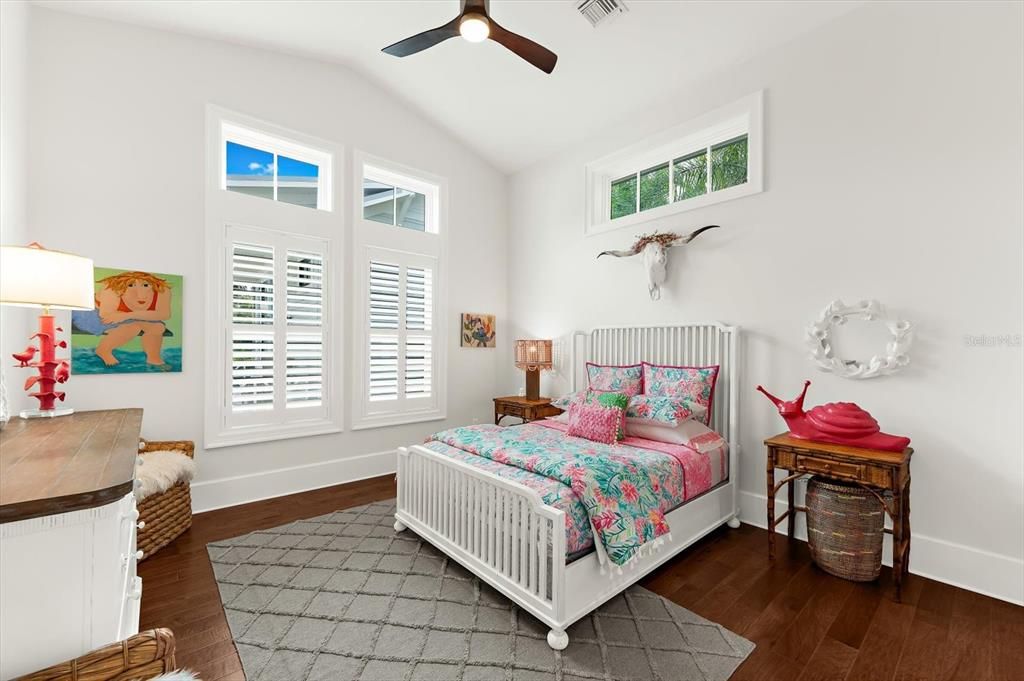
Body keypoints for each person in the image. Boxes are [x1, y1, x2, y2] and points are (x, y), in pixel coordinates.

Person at [73, 271, 172, 367]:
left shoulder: (162, 290)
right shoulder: (112, 289)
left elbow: (164, 314)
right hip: (93, 313)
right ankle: (104, 350)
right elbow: (106, 315)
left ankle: (154, 358)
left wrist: (128, 315)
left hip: (126, 316)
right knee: (134, 327)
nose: (141, 295)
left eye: (146, 286)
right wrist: (135, 316)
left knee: (158, 327)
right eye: (131, 285)